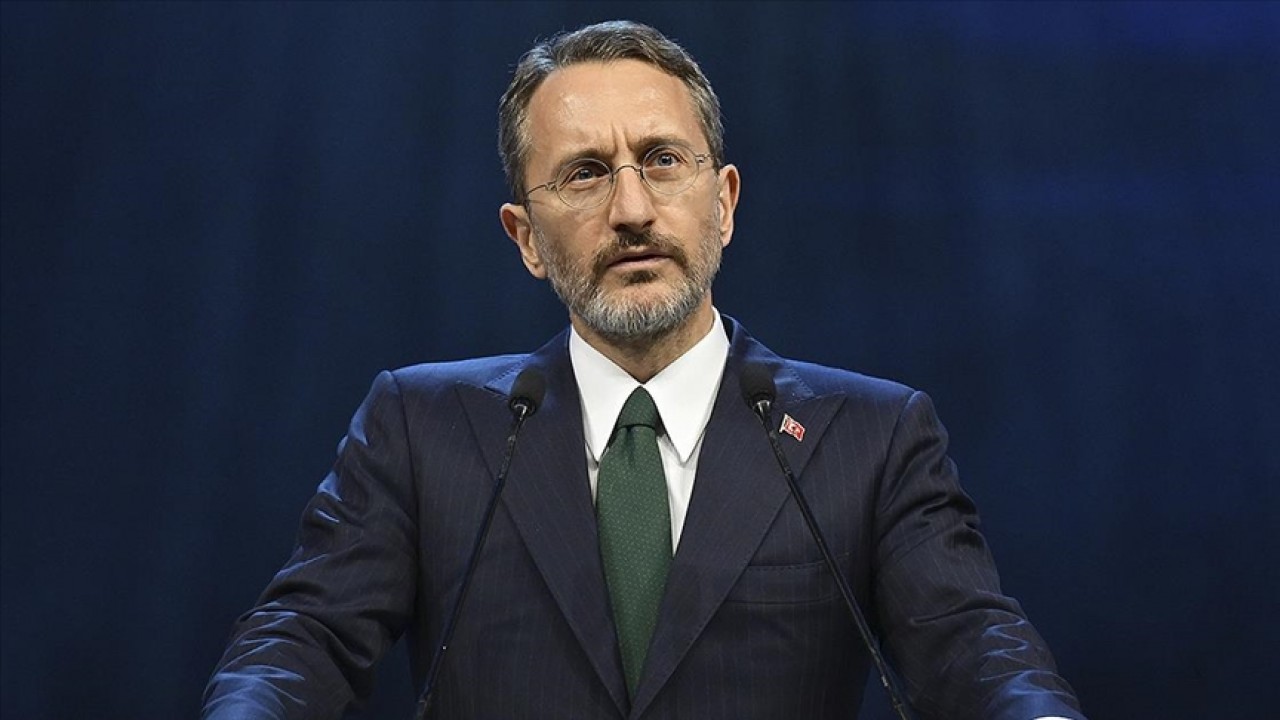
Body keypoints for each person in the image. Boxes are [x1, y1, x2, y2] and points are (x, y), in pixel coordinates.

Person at [204, 20, 1086, 720]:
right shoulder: (421, 426)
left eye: (662, 161)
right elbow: (303, 636)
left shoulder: (872, 437)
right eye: (585, 174)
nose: (632, 209)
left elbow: (972, 646)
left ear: (723, 202)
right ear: (526, 239)